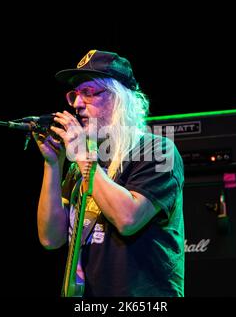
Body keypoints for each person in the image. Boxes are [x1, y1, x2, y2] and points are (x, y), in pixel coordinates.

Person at [34, 50, 185, 297]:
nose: (77, 105)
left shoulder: (158, 150)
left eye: (89, 93)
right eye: (75, 95)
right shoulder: (81, 164)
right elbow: (51, 238)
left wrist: (82, 154)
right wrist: (52, 164)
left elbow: (128, 219)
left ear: (119, 100)